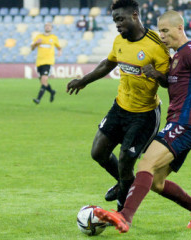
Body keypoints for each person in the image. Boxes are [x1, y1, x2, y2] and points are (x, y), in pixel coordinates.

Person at [93, 10, 191, 233]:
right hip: (179, 123)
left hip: (184, 124)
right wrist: (156, 75)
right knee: (157, 182)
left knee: (145, 165)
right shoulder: (176, 56)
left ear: (180, 28)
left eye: (165, 31)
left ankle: (124, 217)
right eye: (159, 31)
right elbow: (172, 84)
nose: (161, 36)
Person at [66, 0, 170, 212]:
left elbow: (171, 81)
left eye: (120, 19)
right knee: (98, 153)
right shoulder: (119, 41)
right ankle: (125, 183)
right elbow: (108, 64)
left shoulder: (156, 45)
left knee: (125, 162)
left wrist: (158, 75)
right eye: (115, 20)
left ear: (134, 15)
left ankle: (122, 211)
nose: (117, 24)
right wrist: (83, 81)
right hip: (120, 107)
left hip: (144, 114)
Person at [30, 22, 61, 104]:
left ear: (51, 28)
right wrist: (36, 43)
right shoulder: (39, 37)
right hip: (39, 62)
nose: (47, 27)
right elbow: (32, 48)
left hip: (48, 62)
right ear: (44, 27)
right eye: (46, 26)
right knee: (43, 82)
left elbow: (59, 47)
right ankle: (52, 92)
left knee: (44, 80)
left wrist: (59, 52)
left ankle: (38, 99)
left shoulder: (54, 37)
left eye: (49, 26)